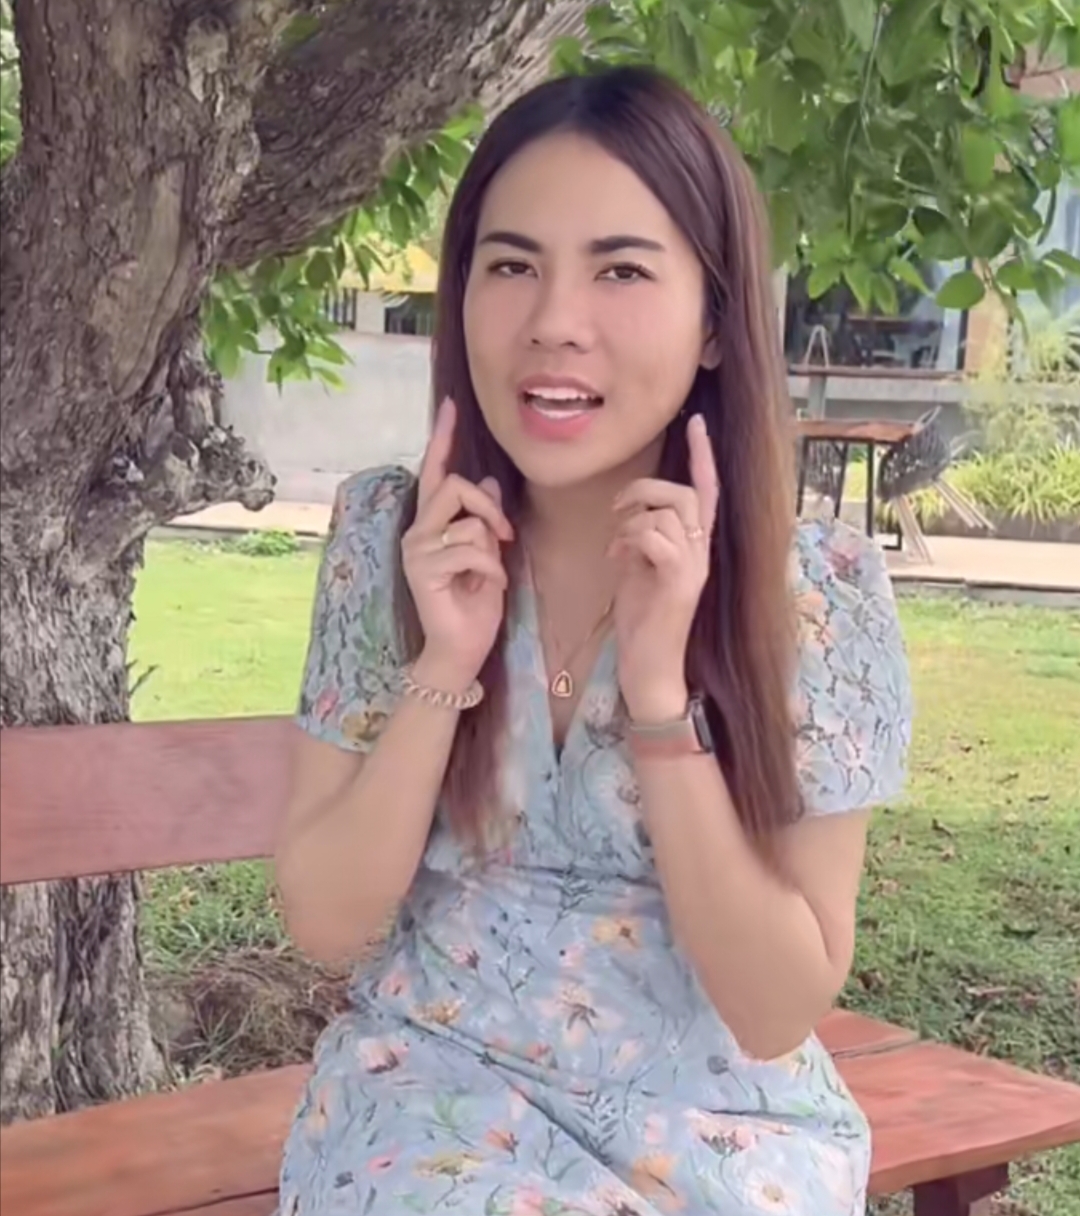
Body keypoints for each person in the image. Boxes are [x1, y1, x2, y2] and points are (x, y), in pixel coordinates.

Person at [274, 65, 912, 1216]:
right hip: (426, 1099)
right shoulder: (392, 540)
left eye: (621, 270)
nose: (554, 323)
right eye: (511, 265)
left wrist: (660, 695)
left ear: (714, 321)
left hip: (722, 1130)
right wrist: (444, 666)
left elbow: (775, 1008)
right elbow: (325, 921)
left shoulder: (812, 593)